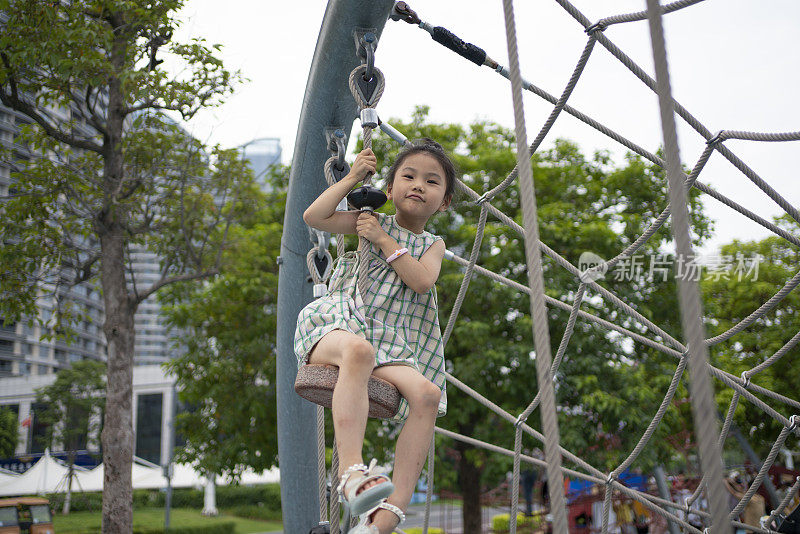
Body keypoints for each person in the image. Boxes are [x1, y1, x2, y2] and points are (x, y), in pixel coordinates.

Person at [295, 139, 456, 534]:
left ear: (445, 201)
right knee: (359, 351)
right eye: (409, 176)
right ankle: (351, 471)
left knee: (428, 395)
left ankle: (387, 516)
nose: (418, 185)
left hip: (391, 340)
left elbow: (421, 282)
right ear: (390, 190)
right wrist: (352, 177)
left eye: (431, 181)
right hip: (341, 321)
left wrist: (384, 241)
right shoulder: (368, 220)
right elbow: (314, 216)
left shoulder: (432, 245)